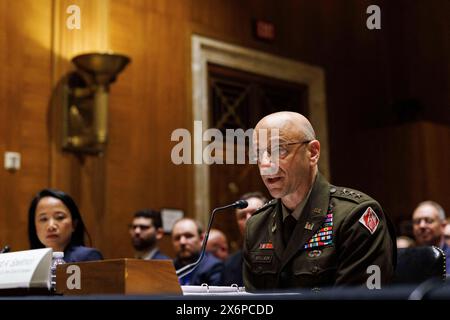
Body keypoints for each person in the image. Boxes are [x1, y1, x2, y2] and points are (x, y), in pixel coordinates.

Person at [243, 111, 396, 291]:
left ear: (313, 153)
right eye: (258, 153)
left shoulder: (356, 216)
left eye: (279, 150)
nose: (266, 163)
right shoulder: (257, 224)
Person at [28, 188, 103, 262]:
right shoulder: (29, 261)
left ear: (74, 224)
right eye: (43, 219)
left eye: (60, 217)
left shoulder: (87, 257)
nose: (51, 226)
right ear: (34, 226)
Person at [221, 192, 267, 286]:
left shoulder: (284, 251)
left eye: (255, 213)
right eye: (242, 216)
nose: (248, 219)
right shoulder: (230, 263)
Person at [172, 218, 223, 286]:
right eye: (177, 238)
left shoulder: (213, 267)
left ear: (201, 238)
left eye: (188, 236)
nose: (182, 242)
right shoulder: (170, 267)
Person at [412, 201, 450, 272]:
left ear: (443, 226)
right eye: (417, 221)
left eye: (429, 221)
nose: (422, 226)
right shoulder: (408, 259)